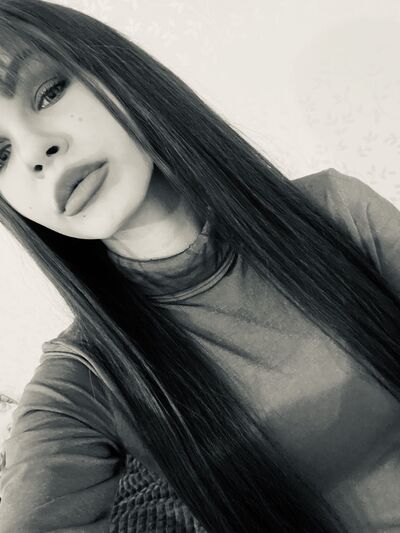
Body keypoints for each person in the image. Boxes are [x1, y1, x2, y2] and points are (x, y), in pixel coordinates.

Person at [0, 0, 399, 531]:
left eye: (49, 92)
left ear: (114, 72)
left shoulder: (335, 209)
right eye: (0, 154)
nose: (36, 151)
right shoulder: (83, 379)